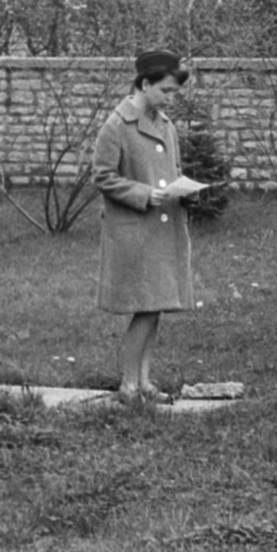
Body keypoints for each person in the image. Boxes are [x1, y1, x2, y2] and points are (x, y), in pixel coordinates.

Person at [92, 49, 197, 400]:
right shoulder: (116, 125)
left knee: (155, 308)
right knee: (146, 306)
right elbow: (103, 176)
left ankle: (144, 381)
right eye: (165, 91)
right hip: (135, 231)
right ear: (145, 83)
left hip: (163, 229)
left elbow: (173, 172)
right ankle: (128, 384)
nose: (170, 99)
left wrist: (187, 192)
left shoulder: (165, 125)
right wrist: (141, 193)